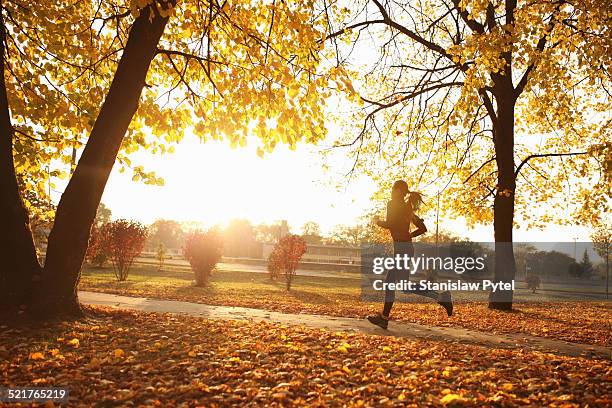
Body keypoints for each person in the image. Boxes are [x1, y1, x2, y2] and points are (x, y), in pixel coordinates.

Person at [367, 180, 453, 330]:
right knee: (402, 286)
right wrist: (409, 236)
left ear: (399, 191)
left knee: (393, 284)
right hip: (406, 247)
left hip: (402, 249)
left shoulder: (393, 204)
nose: (392, 191)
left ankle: (384, 318)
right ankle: (441, 298)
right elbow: (423, 228)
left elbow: (390, 224)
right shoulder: (408, 208)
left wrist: (377, 221)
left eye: (394, 189)